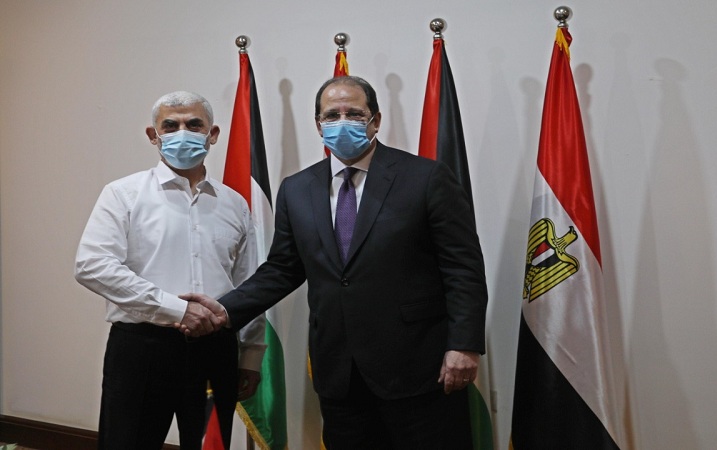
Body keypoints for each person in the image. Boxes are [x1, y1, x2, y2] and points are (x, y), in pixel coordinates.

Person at [180, 76, 488, 449]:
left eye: (354, 113)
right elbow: (282, 269)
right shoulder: (297, 189)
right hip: (340, 374)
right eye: (332, 115)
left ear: (375, 120)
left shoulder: (425, 178)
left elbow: (463, 268)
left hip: (419, 367)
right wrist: (224, 309)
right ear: (318, 124)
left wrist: (464, 345)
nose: (342, 122)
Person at [74, 91, 265, 450]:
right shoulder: (123, 194)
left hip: (216, 352)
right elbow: (92, 265)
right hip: (142, 349)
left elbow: (249, 283)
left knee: (210, 445)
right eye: (170, 126)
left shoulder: (234, 204)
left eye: (194, 124)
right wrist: (177, 309)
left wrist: (252, 354)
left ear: (212, 134)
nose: (182, 133)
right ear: (153, 135)